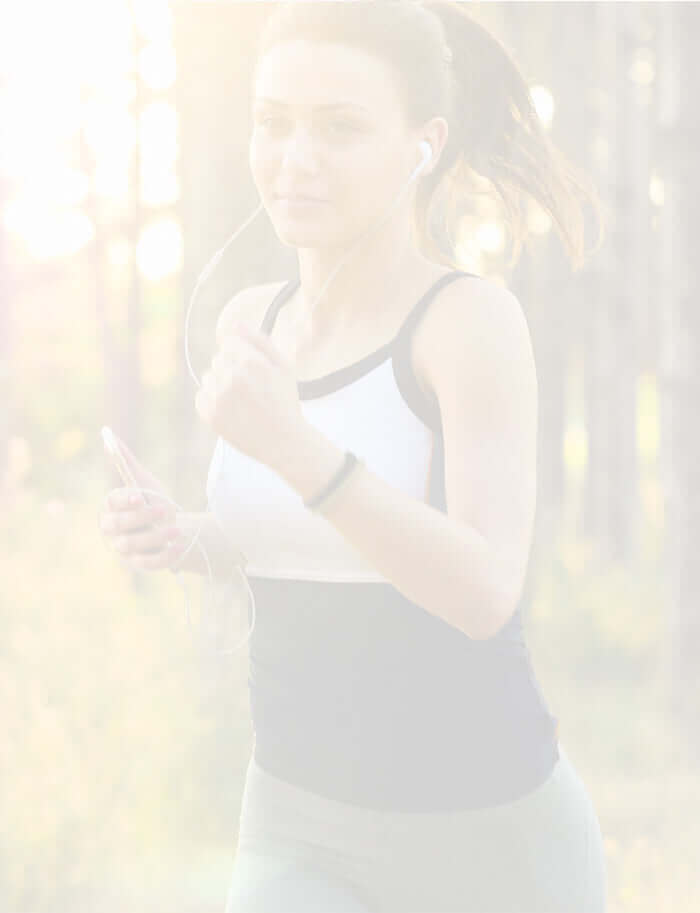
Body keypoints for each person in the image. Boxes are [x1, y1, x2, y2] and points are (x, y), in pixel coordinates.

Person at [100, 2, 607, 910]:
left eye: (339, 128)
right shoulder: (249, 319)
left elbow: (485, 588)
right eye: (273, 122)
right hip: (293, 824)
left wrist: (296, 449)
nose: (295, 160)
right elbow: (308, 542)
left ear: (424, 143)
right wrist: (190, 536)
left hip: (486, 842)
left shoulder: (465, 323)